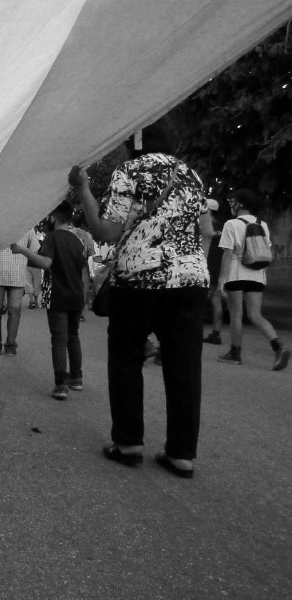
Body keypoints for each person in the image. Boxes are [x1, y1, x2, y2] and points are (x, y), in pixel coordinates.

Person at [70, 121, 213, 479]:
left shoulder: (130, 170)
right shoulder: (191, 175)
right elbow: (206, 230)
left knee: (126, 358)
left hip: (138, 279)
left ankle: (129, 443)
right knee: (184, 367)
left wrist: (83, 189)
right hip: (190, 281)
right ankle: (181, 455)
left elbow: (106, 230)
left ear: (134, 142)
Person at [12, 201, 87, 400]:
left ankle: (61, 385)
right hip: (76, 296)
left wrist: (21, 250)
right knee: (73, 337)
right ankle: (77, 378)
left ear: (52, 218)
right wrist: (85, 297)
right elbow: (83, 271)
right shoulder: (76, 240)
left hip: (58, 296)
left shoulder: (52, 238)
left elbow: (46, 263)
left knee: (59, 340)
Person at [216, 189, 289, 371]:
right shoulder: (262, 224)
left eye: (232, 201)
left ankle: (235, 353)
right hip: (257, 275)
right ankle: (279, 347)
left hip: (236, 274)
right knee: (255, 314)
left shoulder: (231, 224)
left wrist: (221, 280)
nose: (230, 204)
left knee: (236, 314)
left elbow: (227, 253)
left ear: (240, 203)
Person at [0, 234, 30, 356]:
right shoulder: (27, 226)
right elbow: (34, 249)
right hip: (18, 272)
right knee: (14, 311)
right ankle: (10, 347)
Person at [202, 199, 226, 345]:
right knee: (216, 301)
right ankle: (216, 334)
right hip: (220, 268)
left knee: (198, 302)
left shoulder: (203, 226)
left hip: (205, 267)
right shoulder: (224, 228)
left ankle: (193, 332)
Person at [23, 226, 44, 309]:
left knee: (30, 284)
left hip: (28, 265)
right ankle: (34, 301)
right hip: (35, 265)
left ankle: (32, 301)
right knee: (35, 284)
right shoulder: (40, 242)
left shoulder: (25, 242)